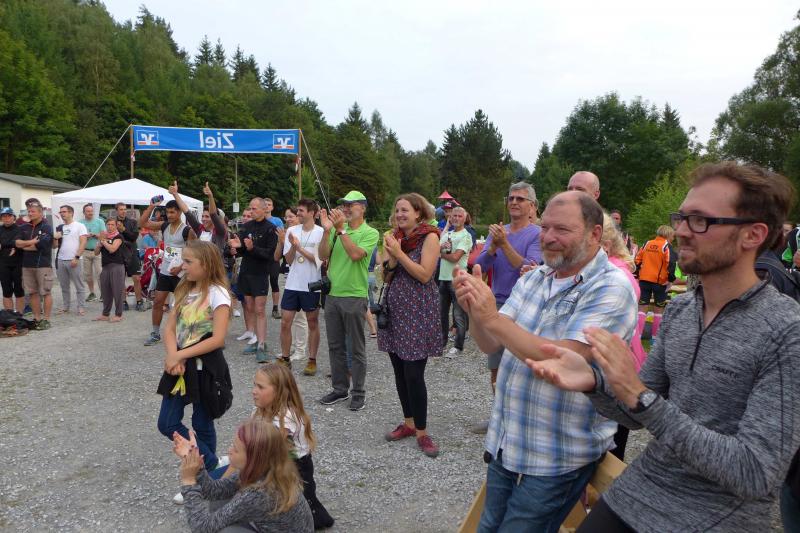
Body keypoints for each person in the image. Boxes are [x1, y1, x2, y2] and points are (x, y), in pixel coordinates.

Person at [527, 162, 800, 532]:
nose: (681, 231)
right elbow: (635, 414)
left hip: (712, 517)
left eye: (700, 221)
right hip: (639, 492)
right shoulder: (683, 310)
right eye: (682, 218)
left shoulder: (786, 330)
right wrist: (595, 383)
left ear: (753, 235)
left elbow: (755, 473)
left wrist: (641, 397)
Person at [453, 190, 637, 532]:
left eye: (562, 229)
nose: (548, 237)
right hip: (508, 442)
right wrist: (475, 311)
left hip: (557, 456)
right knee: (488, 526)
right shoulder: (535, 278)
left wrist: (491, 318)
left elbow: (564, 360)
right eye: (545, 227)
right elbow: (490, 342)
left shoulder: (611, 287)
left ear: (595, 234)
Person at [157, 240, 233, 483]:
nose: (183, 266)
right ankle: (212, 464)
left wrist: (181, 355)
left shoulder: (218, 294)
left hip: (205, 368)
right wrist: (173, 355)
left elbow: (218, 338)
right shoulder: (183, 290)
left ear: (206, 264)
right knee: (167, 423)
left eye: (188, 262)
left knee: (202, 422)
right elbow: (169, 329)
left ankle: (204, 479)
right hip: (179, 367)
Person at [471, 182, 542, 433]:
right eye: (511, 198)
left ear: (532, 206)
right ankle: (498, 417)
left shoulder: (537, 234)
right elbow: (480, 266)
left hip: (525, 307)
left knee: (523, 366)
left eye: (520, 199)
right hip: (498, 304)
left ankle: (521, 422)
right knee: (496, 365)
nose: (513, 202)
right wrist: (493, 246)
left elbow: (528, 269)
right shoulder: (498, 232)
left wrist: (504, 244)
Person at [378, 193, 442, 457]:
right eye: (397, 210)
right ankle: (408, 423)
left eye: (405, 210)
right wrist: (392, 258)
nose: (400, 214)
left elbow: (425, 275)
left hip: (419, 311)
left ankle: (422, 432)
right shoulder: (393, 237)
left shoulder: (430, 237)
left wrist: (399, 254)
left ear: (418, 213)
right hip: (396, 310)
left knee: (414, 374)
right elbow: (386, 276)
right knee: (399, 370)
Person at [173, 418, 313, 533]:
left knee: (227, 531)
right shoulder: (263, 469)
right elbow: (214, 491)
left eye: (236, 449)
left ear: (253, 459)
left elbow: (202, 528)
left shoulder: (259, 494)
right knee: (221, 499)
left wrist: (188, 481)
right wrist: (195, 464)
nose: (229, 450)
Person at [317, 191, 379, 412]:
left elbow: (356, 255)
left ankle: (358, 392)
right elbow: (322, 255)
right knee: (335, 346)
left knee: (356, 348)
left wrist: (341, 230)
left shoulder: (370, 232)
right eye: (344, 205)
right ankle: (340, 389)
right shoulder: (336, 230)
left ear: (362, 208)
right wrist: (327, 231)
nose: (345, 208)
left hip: (354, 295)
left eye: (350, 205)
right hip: (333, 295)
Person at [253, 364, 334, 529]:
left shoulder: (286, 418)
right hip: (279, 463)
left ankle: (314, 521)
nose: (254, 391)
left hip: (296, 466)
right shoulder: (261, 409)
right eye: (254, 385)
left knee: (302, 501)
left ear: (279, 392)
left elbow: (270, 449)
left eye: (260, 387)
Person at [600, 213, 645, 462]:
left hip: (614, 378)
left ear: (604, 245)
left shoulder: (617, 277)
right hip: (612, 374)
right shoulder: (607, 270)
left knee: (609, 455)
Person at [139, 197, 197, 346]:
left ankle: (185, 335)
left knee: (181, 305)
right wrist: (151, 206)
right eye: (168, 212)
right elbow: (143, 223)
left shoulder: (187, 230)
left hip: (181, 273)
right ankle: (155, 333)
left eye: (172, 212)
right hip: (165, 271)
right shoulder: (164, 225)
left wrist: (181, 267)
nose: (169, 215)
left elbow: (194, 253)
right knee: (158, 302)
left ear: (179, 213)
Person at [228, 198, 278, 362]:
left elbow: (271, 255)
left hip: (260, 273)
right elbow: (242, 250)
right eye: (250, 208)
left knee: (260, 309)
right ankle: (256, 340)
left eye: (254, 208)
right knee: (249, 307)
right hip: (246, 272)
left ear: (264, 209)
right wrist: (236, 248)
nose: (251, 211)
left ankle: (262, 344)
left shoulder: (270, 229)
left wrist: (252, 248)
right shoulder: (247, 226)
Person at [277, 199, 323, 373]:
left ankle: (312, 360)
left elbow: (319, 261)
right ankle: (285, 358)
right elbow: (289, 260)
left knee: (312, 322)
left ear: (312, 213)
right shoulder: (292, 231)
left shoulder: (320, 232)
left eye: (301, 211)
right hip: (292, 284)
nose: (298, 214)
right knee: (285, 322)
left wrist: (300, 248)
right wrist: (292, 247)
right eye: (298, 210)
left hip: (311, 284)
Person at [15, 198, 54, 330]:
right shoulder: (23, 227)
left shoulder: (46, 227)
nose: (30, 213)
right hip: (27, 265)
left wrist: (25, 245)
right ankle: (37, 319)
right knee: (32, 293)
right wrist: (31, 242)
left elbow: (42, 245)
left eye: (33, 211)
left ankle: (46, 319)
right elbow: (17, 243)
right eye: (29, 211)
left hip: (43, 265)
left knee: (46, 292)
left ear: (40, 213)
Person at [634, 225, 676, 341]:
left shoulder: (647, 243)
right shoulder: (666, 246)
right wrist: (670, 279)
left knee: (641, 309)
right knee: (658, 311)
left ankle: (637, 338)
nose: (673, 239)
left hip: (644, 280)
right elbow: (671, 263)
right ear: (668, 235)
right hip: (660, 283)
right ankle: (654, 340)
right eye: (672, 236)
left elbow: (637, 260)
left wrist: (637, 274)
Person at [439, 206, 471, 357]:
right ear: (450, 218)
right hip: (443, 278)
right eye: (454, 216)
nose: (456, 218)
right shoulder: (447, 234)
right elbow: (435, 248)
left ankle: (458, 346)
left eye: (459, 216)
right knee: (442, 314)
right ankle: (442, 342)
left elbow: (455, 257)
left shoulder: (466, 236)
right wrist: (440, 249)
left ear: (464, 218)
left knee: (458, 315)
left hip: (458, 280)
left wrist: (441, 254)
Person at [53, 205, 88, 315]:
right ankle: (66, 307)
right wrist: (55, 238)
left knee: (79, 285)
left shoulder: (79, 226)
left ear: (71, 213)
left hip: (74, 259)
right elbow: (54, 246)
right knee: (64, 286)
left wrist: (77, 257)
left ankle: (81, 307)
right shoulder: (60, 227)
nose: (62, 214)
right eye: (61, 212)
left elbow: (83, 242)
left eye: (64, 211)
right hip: (60, 259)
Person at [92, 218, 126, 322]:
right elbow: (96, 253)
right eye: (108, 225)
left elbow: (112, 249)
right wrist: (99, 244)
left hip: (117, 266)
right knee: (105, 291)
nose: (110, 227)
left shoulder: (118, 237)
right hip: (105, 267)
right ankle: (105, 314)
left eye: (112, 225)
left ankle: (119, 314)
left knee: (117, 291)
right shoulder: (104, 237)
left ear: (116, 226)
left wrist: (103, 241)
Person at [115, 202, 145, 311]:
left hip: (132, 253)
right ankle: (123, 301)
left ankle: (139, 301)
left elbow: (133, 237)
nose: (123, 211)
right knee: (120, 279)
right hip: (119, 254)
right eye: (121, 209)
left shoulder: (132, 222)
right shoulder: (112, 223)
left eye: (125, 209)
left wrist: (123, 230)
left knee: (136, 278)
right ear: (117, 211)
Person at [0, 208, 24, 313]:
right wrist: (12, 244)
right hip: (3, 264)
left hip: (18, 263)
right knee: (6, 291)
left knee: (19, 291)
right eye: (4, 216)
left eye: (9, 216)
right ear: (1, 218)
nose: (6, 218)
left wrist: (5, 244)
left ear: (14, 217)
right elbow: (14, 243)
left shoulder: (19, 229)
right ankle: (9, 316)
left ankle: (19, 315)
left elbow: (17, 242)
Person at [79, 204, 105, 302]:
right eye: (88, 211)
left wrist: (94, 235)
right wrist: (85, 236)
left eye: (91, 211)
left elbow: (104, 236)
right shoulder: (80, 223)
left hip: (98, 251)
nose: (90, 213)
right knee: (87, 274)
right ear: (84, 212)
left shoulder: (100, 221)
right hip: (85, 251)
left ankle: (103, 293)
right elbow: (78, 236)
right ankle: (92, 293)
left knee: (100, 273)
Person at [264, 197, 284, 319]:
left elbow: (281, 236)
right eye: (265, 204)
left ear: (272, 207)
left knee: (274, 281)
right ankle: (260, 307)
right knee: (262, 282)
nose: (266, 206)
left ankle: (275, 308)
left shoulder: (277, 221)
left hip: (273, 255)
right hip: (261, 255)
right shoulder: (258, 220)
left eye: (269, 204)